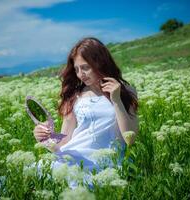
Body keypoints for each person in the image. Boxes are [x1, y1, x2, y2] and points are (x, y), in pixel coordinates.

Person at [33, 37, 138, 177]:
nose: (80, 75)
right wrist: (45, 138)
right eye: (76, 69)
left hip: (108, 163)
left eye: (85, 68)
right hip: (74, 159)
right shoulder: (74, 96)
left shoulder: (127, 91)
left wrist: (116, 100)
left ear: (100, 63)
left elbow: (130, 139)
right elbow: (64, 142)